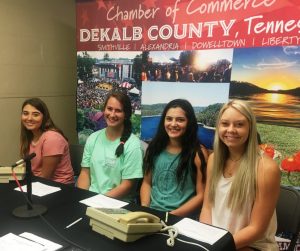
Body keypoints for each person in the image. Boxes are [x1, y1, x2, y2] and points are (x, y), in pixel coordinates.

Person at [200, 99, 280, 251]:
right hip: (217, 243)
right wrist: (206, 240)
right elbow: (207, 207)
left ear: (251, 128)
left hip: (251, 246)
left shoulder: (266, 169)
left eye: (239, 124)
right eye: (225, 124)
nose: (231, 130)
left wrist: (218, 246)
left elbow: (256, 229)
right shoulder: (213, 160)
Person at [140, 99, 208, 217]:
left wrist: (170, 216)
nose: (173, 124)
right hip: (152, 216)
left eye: (180, 120)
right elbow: (147, 183)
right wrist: (146, 208)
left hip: (181, 221)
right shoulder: (153, 149)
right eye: (169, 119)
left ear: (189, 122)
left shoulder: (198, 153)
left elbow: (201, 195)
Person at [77, 91, 143, 202]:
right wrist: (84, 198)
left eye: (118, 111)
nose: (112, 115)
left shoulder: (133, 145)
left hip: (117, 205)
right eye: (109, 109)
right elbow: (85, 173)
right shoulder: (93, 138)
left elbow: (126, 186)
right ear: (104, 110)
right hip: (91, 200)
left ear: (126, 114)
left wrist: (98, 201)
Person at [20, 98, 74, 184]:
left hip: (59, 186)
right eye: (25, 113)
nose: (29, 118)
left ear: (44, 117)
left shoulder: (52, 138)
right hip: (37, 181)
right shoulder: (29, 135)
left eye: (35, 114)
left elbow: (45, 177)